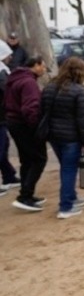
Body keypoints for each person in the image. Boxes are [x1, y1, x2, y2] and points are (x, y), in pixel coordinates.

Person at [40, 58, 84, 219]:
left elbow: (43, 110)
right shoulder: (79, 91)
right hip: (71, 137)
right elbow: (83, 119)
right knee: (69, 170)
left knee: (66, 167)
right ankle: (65, 206)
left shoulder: (49, 87)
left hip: (53, 135)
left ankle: (71, 197)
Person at [5, 55, 48, 211]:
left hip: (14, 122)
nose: (44, 69)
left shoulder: (15, 78)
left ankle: (27, 194)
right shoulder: (29, 82)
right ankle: (25, 195)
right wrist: (37, 128)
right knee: (39, 159)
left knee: (27, 160)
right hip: (24, 125)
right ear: (35, 65)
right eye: (43, 66)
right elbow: (30, 108)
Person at [0, 41, 20, 194]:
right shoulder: (2, 73)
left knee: (4, 146)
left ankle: (9, 176)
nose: (10, 58)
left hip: (3, 116)